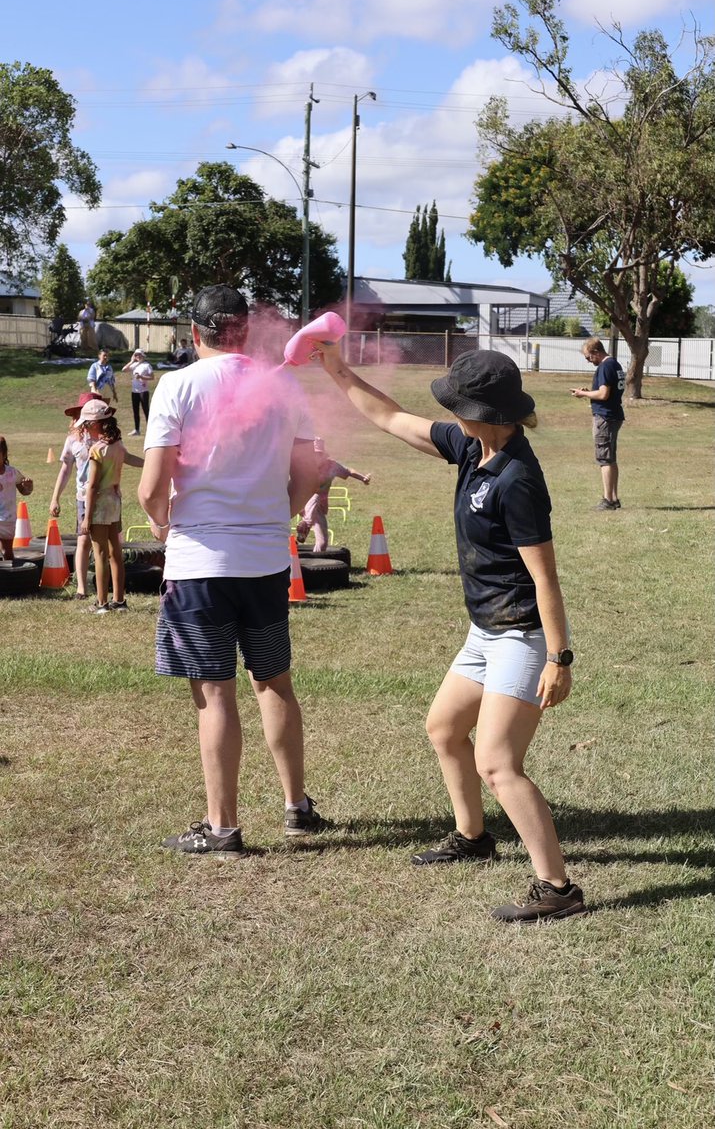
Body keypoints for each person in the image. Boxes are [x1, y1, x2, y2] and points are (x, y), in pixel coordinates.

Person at [318, 346, 585, 924]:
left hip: (519, 634)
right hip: (485, 630)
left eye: (458, 404)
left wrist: (559, 657)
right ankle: (473, 836)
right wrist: (334, 368)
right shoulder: (471, 448)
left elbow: (545, 577)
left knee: (497, 762)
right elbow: (390, 417)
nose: (449, 412)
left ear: (483, 411)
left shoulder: (517, 479)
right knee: (443, 728)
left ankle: (558, 887)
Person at [138, 283, 324, 855]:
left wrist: (162, 523)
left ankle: (222, 828)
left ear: (195, 333)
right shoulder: (283, 385)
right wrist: (281, 515)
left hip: (198, 566)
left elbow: (150, 489)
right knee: (275, 684)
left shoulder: (176, 385)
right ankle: (297, 808)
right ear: (245, 330)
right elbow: (312, 468)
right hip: (267, 563)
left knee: (214, 695)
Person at [75, 400, 142, 614]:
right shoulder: (117, 444)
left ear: (95, 424)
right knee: (116, 552)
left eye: (86, 424)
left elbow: (92, 485)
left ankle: (102, 603)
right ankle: (119, 601)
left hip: (99, 505)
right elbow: (130, 458)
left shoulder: (97, 450)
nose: (84, 428)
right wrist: (151, 462)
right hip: (115, 502)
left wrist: (86, 518)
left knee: (100, 553)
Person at [50, 391, 109, 599]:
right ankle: (81, 587)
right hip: (84, 497)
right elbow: (65, 469)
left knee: (109, 542)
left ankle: (108, 585)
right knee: (83, 540)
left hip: (107, 496)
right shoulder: (73, 441)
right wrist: (55, 497)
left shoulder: (108, 437)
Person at [571, 337, 625, 510]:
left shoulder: (604, 366)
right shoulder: (615, 364)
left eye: (588, 357)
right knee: (610, 458)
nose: (588, 361)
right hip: (614, 415)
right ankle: (614, 498)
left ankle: (608, 500)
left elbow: (603, 395)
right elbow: (607, 392)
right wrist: (589, 392)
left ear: (596, 352)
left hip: (605, 417)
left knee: (604, 459)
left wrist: (582, 394)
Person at [296, 438, 372, 552]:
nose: (317, 457)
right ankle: (305, 525)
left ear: (324, 455)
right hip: (303, 502)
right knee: (315, 496)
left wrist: (363, 478)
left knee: (323, 543)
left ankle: (316, 560)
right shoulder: (304, 464)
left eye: (319, 454)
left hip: (320, 507)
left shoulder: (332, 466)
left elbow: (349, 471)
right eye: (314, 454)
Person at [0, 436, 33, 561]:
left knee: (7, 552)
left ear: (4, 455)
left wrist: (29, 486)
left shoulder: (12, 473)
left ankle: (10, 577)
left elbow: (25, 491)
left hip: (8, 519)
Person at [122, 350, 154, 436]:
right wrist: (132, 361)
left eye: (139, 355)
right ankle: (137, 430)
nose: (138, 357)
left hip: (143, 391)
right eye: (136, 355)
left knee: (146, 410)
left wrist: (141, 377)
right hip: (134, 391)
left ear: (143, 356)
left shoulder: (147, 365)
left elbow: (152, 377)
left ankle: (150, 430)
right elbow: (124, 370)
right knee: (135, 411)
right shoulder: (134, 365)